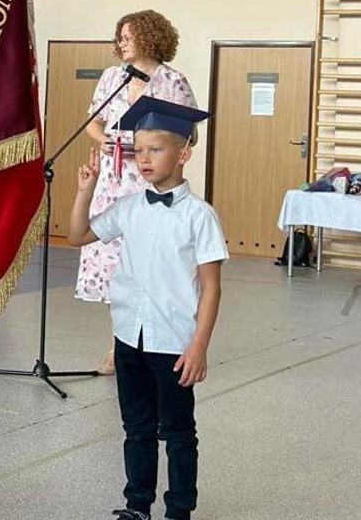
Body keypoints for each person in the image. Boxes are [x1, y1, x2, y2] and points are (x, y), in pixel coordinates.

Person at [68, 97, 227, 520]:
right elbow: (78, 235)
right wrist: (85, 191)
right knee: (136, 429)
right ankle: (137, 505)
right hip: (128, 335)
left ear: (184, 154)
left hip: (173, 341)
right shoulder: (130, 207)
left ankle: (178, 510)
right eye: (139, 150)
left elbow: (211, 288)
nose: (144, 159)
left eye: (155, 149)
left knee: (177, 433)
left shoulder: (200, 216)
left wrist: (199, 346)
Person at [77, 10, 197, 374]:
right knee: (114, 267)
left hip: (152, 182)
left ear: (149, 37)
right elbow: (92, 124)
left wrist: (153, 144)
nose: (122, 44)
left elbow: (190, 135)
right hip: (113, 184)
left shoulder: (173, 81)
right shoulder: (112, 77)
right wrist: (110, 140)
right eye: (120, 38)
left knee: (150, 262)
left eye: (128, 37)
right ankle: (120, 348)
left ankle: (158, 342)